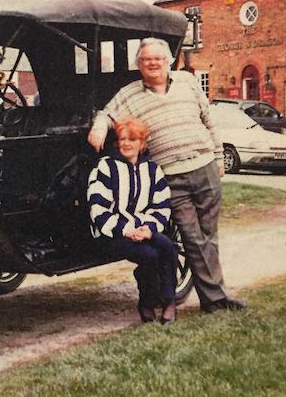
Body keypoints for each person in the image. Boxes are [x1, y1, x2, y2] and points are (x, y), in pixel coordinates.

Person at [87, 37, 245, 313]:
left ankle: (214, 298)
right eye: (146, 59)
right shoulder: (130, 94)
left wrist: (219, 157)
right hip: (172, 176)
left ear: (169, 60)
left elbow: (209, 121)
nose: (153, 63)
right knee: (192, 237)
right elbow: (107, 114)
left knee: (209, 235)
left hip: (205, 166)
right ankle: (216, 299)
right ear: (139, 64)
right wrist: (99, 128)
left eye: (158, 58)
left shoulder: (188, 82)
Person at [87, 117, 177, 324]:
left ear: (142, 144)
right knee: (149, 255)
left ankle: (169, 301)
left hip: (143, 228)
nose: (126, 143)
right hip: (111, 233)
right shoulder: (106, 167)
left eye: (133, 139)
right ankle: (147, 303)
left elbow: (162, 205)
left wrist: (149, 229)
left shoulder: (153, 169)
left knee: (167, 246)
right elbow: (98, 208)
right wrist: (126, 230)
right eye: (123, 139)